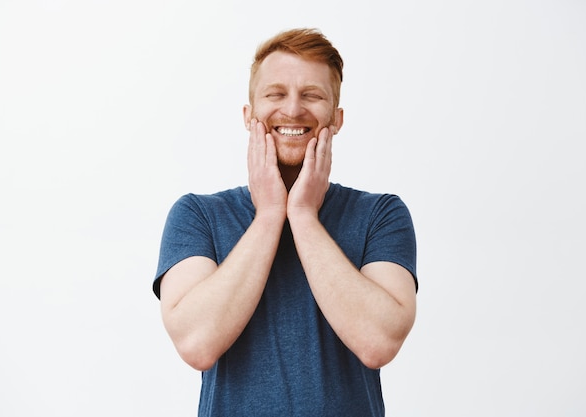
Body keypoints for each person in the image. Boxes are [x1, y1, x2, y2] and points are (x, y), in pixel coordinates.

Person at [153, 28, 418, 416]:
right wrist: (269, 216)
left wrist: (304, 216)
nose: (293, 110)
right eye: (275, 94)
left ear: (337, 118)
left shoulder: (382, 215)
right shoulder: (197, 216)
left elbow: (378, 342)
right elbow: (197, 344)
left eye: (312, 95)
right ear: (249, 115)